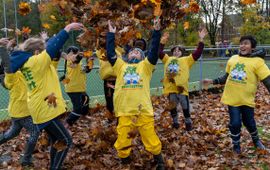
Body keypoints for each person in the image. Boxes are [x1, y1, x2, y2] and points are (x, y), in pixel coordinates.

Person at [2, 22, 84, 169]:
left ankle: (54, 165)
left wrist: (46, 40)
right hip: (45, 109)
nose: (45, 52)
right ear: (36, 52)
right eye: (42, 50)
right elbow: (52, 48)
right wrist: (67, 29)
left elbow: (53, 52)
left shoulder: (32, 64)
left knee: (57, 141)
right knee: (66, 140)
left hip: (41, 108)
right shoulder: (35, 62)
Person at [106, 18, 165, 169]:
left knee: (150, 137)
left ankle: (159, 160)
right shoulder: (121, 66)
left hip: (143, 110)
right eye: (132, 51)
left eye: (138, 52)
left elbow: (153, 51)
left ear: (142, 57)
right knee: (123, 138)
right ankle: (125, 160)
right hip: (125, 110)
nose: (134, 52)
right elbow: (111, 54)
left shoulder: (146, 67)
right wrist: (111, 35)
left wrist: (156, 32)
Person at [203, 35, 270, 154]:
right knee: (235, 123)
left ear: (252, 48)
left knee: (249, 122)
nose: (242, 45)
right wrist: (213, 81)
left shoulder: (258, 62)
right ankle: (236, 145)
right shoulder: (233, 59)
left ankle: (256, 140)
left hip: (246, 99)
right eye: (241, 43)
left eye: (246, 43)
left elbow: (267, 80)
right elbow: (226, 77)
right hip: (232, 98)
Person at [0, 38, 39, 167]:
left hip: (20, 111)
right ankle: (26, 160)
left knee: (13, 133)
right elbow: (7, 64)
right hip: (21, 112)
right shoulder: (11, 77)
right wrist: (2, 47)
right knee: (35, 131)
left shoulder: (24, 72)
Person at [158, 29, 207, 130]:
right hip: (171, 88)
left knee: (185, 106)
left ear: (182, 52)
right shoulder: (168, 59)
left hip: (182, 89)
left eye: (178, 50)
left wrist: (201, 40)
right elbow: (159, 52)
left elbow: (197, 53)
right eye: (174, 50)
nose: (176, 52)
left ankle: (188, 122)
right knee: (172, 106)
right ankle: (175, 122)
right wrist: (162, 42)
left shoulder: (186, 60)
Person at [63, 46, 92, 126]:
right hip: (73, 89)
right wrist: (83, 54)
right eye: (73, 53)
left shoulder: (79, 62)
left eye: (75, 53)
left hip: (80, 88)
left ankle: (83, 116)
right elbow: (77, 60)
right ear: (68, 55)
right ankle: (67, 123)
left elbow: (86, 70)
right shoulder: (69, 62)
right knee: (78, 108)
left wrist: (89, 61)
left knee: (86, 100)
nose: (75, 55)